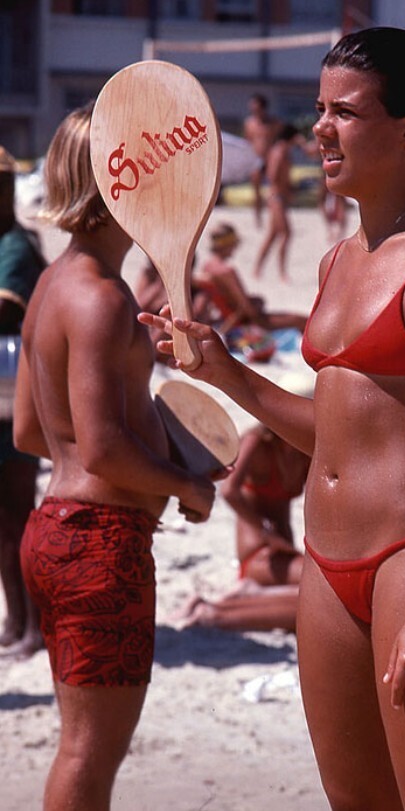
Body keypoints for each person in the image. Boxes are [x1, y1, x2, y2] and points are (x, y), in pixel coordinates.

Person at [140, 27, 405, 811]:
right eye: (317, 110)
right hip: (325, 564)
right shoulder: (337, 260)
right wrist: (222, 368)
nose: (319, 130)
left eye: (343, 112)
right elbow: (331, 435)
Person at [13, 103, 216, 811]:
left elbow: (32, 434)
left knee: (81, 746)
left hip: (54, 530)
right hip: (100, 542)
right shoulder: (100, 298)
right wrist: (185, 483)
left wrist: (145, 436)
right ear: (118, 187)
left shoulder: (51, 285)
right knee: (89, 754)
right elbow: (100, 449)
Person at [170, 407, 310, 633]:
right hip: (259, 550)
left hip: (283, 550)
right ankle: (219, 609)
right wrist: (265, 531)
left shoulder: (303, 449)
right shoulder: (257, 442)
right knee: (318, 589)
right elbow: (229, 491)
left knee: (315, 593)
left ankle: (232, 601)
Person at [0, 145, 45, 658]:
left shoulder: (16, 246)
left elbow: (6, 313)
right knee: (5, 519)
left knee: (17, 513)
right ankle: (16, 619)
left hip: (13, 395)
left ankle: (32, 624)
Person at [195, 222, 308, 334]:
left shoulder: (207, 267)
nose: (235, 248)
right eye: (234, 244)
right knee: (305, 321)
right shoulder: (227, 271)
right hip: (250, 322)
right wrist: (257, 304)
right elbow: (247, 309)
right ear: (227, 244)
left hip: (230, 316)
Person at [253, 124, 301, 282]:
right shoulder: (280, 151)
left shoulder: (282, 150)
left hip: (279, 196)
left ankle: (257, 269)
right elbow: (273, 175)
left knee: (273, 235)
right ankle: (282, 272)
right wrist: (285, 186)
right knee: (287, 233)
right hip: (277, 197)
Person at [243, 93, 282, 228]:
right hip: (256, 159)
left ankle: (274, 218)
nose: (253, 108)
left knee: (274, 189)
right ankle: (258, 218)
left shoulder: (273, 123)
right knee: (256, 191)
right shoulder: (249, 123)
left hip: (270, 158)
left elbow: (280, 140)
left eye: (256, 106)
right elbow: (248, 142)